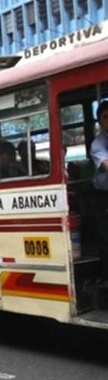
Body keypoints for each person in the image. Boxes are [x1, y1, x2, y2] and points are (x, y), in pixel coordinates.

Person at [90, 100, 108, 275]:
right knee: (106, 237)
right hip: (104, 196)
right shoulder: (98, 144)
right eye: (105, 117)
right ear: (100, 121)